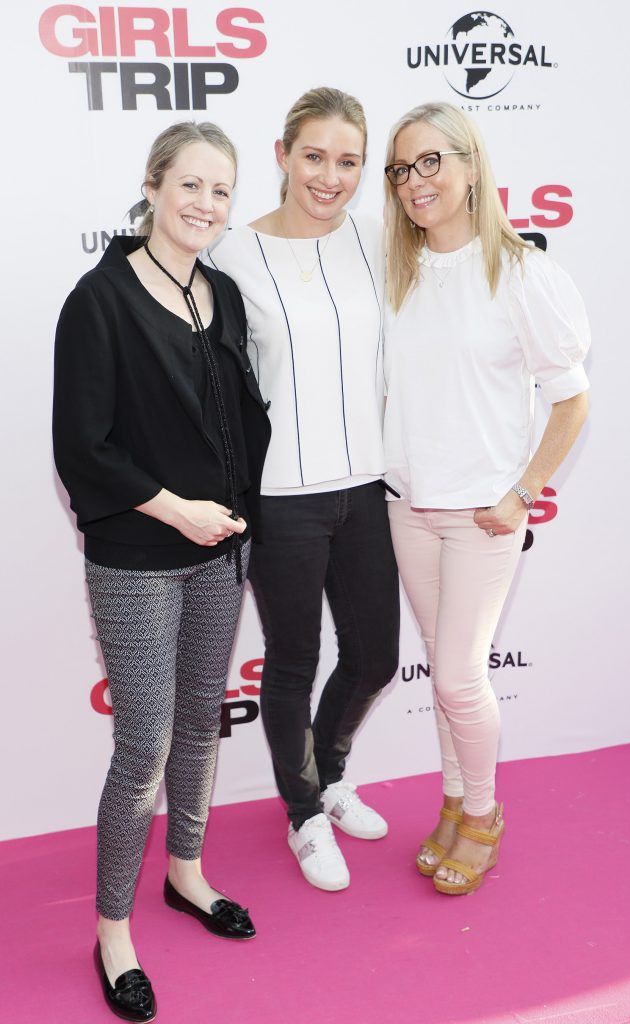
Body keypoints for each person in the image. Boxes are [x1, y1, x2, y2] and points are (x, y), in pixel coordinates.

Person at [53, 121, 270, 1021]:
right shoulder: (98, 299)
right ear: (152, 186)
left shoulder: (222, 293)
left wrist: (237, 517)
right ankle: (112, 929)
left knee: (196, 726)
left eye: (221, 190)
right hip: (140, 557)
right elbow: (82, 448)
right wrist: (176, 509)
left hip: (223, 554)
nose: (205, 205)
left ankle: (186, 872)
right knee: (142, 746)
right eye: (189, 185)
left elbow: (238, 424)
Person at [382, 102, 590, 895]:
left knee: (458, 678)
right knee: (442, 672)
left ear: (471, 165)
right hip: (407, 505)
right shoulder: (398, 272)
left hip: (480, 516)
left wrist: (522, 493)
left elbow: (571, 399)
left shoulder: (522, 271)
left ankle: (483, 816)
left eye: (431, 162)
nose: (415, 183)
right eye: (401, 170)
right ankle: (451, 803)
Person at [205, 87, 400, 892]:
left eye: (347, 161)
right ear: (282, 155)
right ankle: (303, 812)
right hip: (281, 497)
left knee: (376, 657)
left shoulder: (378, 243)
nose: (329, 177)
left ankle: (331, 772)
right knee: (291, 661)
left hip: (365, 487)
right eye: (313, 156)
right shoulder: (230, 254)